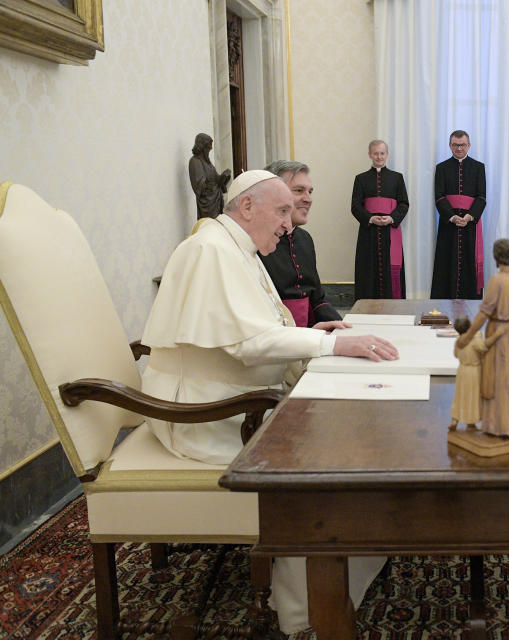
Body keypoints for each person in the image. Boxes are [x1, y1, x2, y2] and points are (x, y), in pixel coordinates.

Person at [141, 169, 398, 635]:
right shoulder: (209, 251)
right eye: (281, 210)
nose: (289, 223)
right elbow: (244, 344)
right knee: (330, 456)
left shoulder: (236, 246)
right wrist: (330, 347)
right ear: (247, 207)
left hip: (236, 396)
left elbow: (253, 327)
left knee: (351, 431)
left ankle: (342, 574)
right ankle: (301, 607)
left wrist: (309, 335)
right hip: (206, 412)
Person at [455, 238, 509, 437]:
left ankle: (499, 425)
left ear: (496, 258)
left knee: (498, 379)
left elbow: (484, 313)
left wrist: (468, 336)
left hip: (499, 331)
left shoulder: (497, 280)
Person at [259, 160, 342, 326]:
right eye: (298, 191)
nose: (308, 199)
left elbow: (317, 299)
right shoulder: (258, 241)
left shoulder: (305, 239)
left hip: (309, 331)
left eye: (310, 192)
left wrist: (344, 328)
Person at [431, 130, 486, 299]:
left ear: (468, 145)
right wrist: (453, 217)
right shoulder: (441, 168)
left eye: (462, 145)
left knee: (469, 263)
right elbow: (439, 196)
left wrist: (469, 217)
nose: (459, 148)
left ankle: (471, 305)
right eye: (455, 145)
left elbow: (482, 197)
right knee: (446, 262)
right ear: (450, 145)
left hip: (470, 225)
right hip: (449, 224)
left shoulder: (478, 167)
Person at [351, 140, 410, 299]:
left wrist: (391, 218)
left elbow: (404, 204)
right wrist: (370, 218)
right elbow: (355, 206)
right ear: (370, 155)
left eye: (382, 153)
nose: (379, 157)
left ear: (387, 154)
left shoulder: (397, 178)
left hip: (390, 233)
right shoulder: (361, 179)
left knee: (390, 270)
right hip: (368, 233)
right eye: (375, 153)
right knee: (368, 269)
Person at [449, 315, 505, 431]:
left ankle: (456, 419)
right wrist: (497, 334)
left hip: (462, 370)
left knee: (460, 396)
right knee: (472, 397)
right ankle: (471, 420)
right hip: (474, 371)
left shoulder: (458, 341)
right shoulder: (474, 341)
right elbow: (485, 346)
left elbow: (455, 354)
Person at [187, 133, 231, 219]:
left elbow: (216, 179)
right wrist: (217, 182)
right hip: (207, 206)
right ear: (202, 147)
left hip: (216, 203)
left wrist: (224, 177)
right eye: (207, 148)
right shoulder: (195, 161)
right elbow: (200, 187)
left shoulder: (209, 164)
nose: (209, 151)